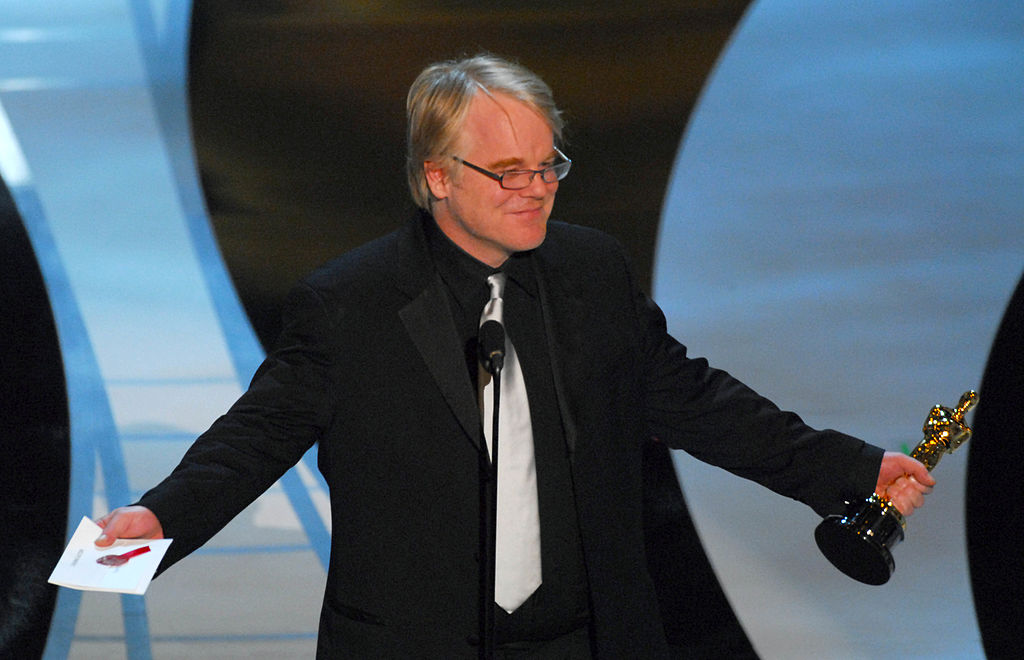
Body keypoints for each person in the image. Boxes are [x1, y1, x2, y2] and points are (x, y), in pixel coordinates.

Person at [96, 54, 933, 658]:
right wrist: (158, 522)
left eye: (548, 166)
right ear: (437, 177)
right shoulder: (350, 304)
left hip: (587, 639)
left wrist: (851, 469)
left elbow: (695, 401)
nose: (536, 187)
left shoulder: (591, 272)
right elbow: (258, 436)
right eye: (507, 172)